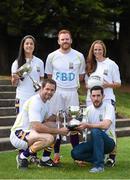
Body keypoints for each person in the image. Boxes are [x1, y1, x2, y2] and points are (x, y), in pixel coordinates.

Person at [44, 29, 85, 164]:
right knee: (57, 122)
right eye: (62, 39)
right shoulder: (51, 56)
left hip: (72, 91)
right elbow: (49, 77)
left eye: (67, 39)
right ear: (58, 41)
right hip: (58, 92)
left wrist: (71, 85)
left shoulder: (79, 56)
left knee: (74, 123)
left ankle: (77, 156)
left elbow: (81, 76)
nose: (65, 41)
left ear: (71, 40)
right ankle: (56, 154)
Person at [10, 79, 69, 169]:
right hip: (18, 134)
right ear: (41, 88)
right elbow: (37, 126)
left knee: (54, 125)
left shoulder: (46, 102)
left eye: (52, 90)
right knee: (49, 138)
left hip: (30, 132)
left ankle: (45, 159)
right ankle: (22, 156)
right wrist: (59, 131)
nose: (49, 92)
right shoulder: (35, 102)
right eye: (47, 89)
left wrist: (64, 120)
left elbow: (48, 121)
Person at [85, 40, 121, 167]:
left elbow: (118, 83)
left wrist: (106, 85)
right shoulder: (89, 65)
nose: (97, 52)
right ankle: (95, 155)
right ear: (92, 51)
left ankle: (112, 157)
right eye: (95, 50)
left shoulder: (111, 64)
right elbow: (86, 84)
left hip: (107, 99)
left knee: (109, 128)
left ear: (103, 50)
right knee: (92, 128)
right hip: (91, 100)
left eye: (100, 49)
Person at [71, 86, 116, 173]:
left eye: (98, 95)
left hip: (109, 143)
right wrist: (74, 126)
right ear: (90, 97)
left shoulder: (109, 107)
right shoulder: (87, 110)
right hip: (95, 142)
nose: (96, 98)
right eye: (94, 96)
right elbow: (82, 127)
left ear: (103, 96)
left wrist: (87, 125)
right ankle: (99, 157)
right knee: (75, 153)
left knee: (96, 131)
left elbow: (106, 125)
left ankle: (99, 166)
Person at [11, 35, 44, 113]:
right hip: (21, 97)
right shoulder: (16, 63)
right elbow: (14, 84)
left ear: (34, 46)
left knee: (35, 121)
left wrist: (40, 87)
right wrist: (16, 78)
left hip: (36, 97)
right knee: (20, 122)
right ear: (23, 46)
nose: (29, 45)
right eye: (27, 43)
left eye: (31, 44)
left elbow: (42, 79)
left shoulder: (39, 62)